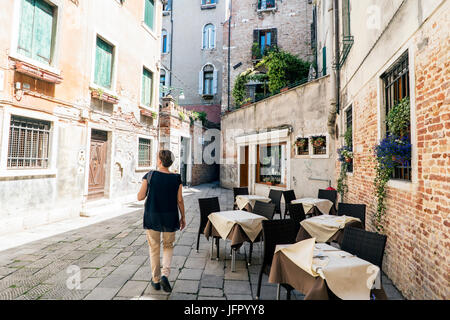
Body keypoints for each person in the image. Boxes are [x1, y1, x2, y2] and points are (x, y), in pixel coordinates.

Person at [137, 149, 186, 292]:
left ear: (159, 161)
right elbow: (180, 200)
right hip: (170, 216)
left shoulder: (150, 175)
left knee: (154, 248)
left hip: (153, 216)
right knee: (168, 245)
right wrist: (183, 217)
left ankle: (156, 280)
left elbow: (140, 197)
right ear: (170, 162)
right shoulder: (177, 178)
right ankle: (165, 274)